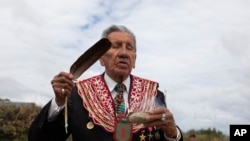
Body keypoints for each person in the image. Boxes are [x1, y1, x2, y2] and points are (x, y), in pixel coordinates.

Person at [28, 25, 183, 141]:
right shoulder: (77, 94)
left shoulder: (154, 94)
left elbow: (164, 137)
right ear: (101, 58)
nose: (123, 53)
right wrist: (59, 103)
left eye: (129, 48)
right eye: (116, 46)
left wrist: (172, 133)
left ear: (134, 60)